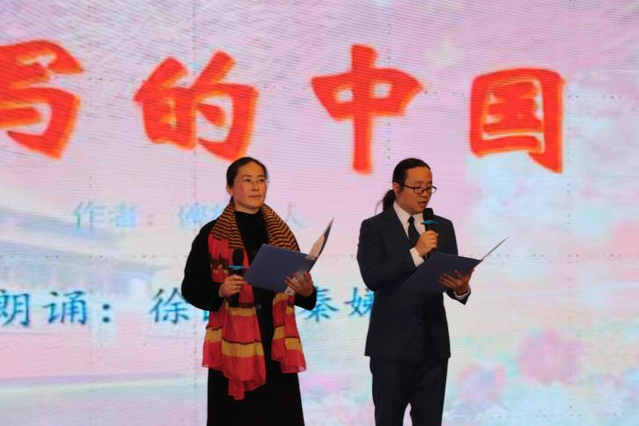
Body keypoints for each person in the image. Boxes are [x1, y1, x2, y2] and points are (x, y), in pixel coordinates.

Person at [181, 157, 317, 426]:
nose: (256, 186)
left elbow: (300, 289)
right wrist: (220, 290)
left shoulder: (281, 232)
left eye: (261, 180)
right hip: (233, 347)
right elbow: (191, 288)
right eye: (247, 180)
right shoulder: (212, 234)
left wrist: (306, 290)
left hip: (275, 346)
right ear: (230, 188)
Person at [357, 158, 473, 426]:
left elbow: (448, 280)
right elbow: (372, 277)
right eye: (418, 187)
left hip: (433, 348)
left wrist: (461, 288)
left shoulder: (442, 226)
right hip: (390, 349)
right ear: (397, 187)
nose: (424, 194)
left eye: (429, 188)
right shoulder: (374, 227)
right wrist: (416, 253)